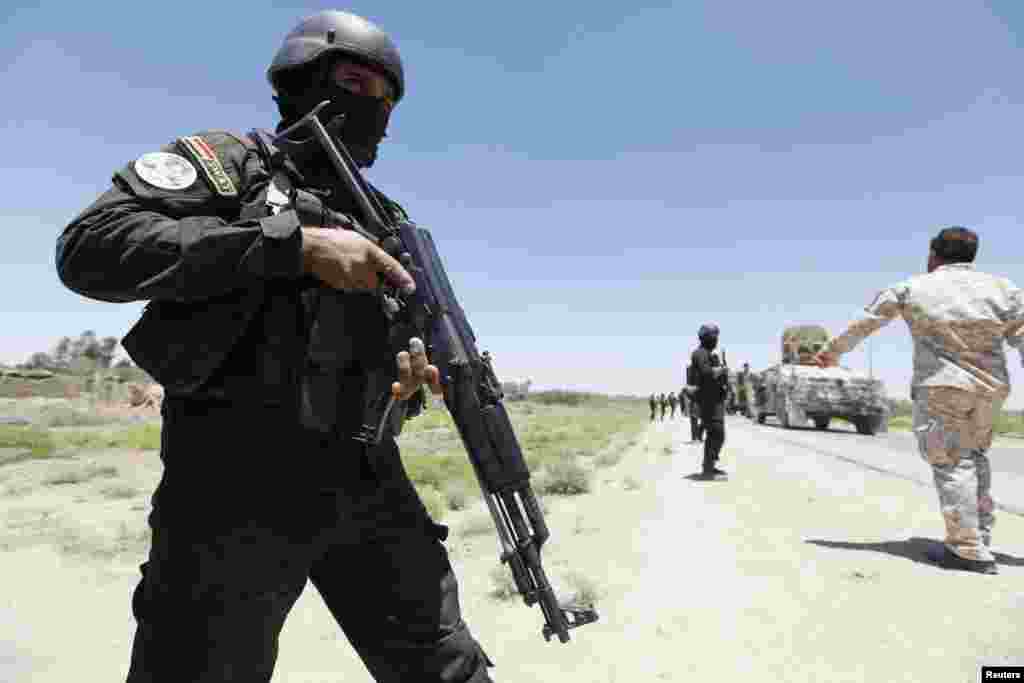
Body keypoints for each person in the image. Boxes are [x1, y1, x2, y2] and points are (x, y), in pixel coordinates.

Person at [56, 10, 495, 681]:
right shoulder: (233, 166)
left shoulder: (388, 221)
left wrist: (409, 375)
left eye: (389, 97)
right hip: (237, 481)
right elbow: (90, 247)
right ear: (302, 79)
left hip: (367, 478)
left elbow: (396, 352)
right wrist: (291, 247)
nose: (376, 106)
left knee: (450, 667)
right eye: (358, 81)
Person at [816, 226, 1024, 576]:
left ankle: (968, 550)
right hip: (991, 388)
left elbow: (867, 321)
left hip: (942, 387)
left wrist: (831, 352)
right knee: (974, 456)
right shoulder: (1005, 289)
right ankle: (978, 534)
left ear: (933, 255)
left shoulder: (913, 287)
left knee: (951, 461)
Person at [691, 325, 729, 477]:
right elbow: (706, 373)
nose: (716, 340)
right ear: (707, 338)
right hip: (708, 401)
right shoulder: (699, 353)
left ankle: (709, 465)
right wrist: (722, 369)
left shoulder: (710, 354)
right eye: (714, 337)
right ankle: (708, 467)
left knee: (716, 434)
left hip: (715, 400)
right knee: (716, 432)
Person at [684, 365, 703, 442]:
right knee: (695, 422)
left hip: (698, 404)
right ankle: (696, 437)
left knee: (696, 422)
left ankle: (696, 437)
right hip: (696, 404)